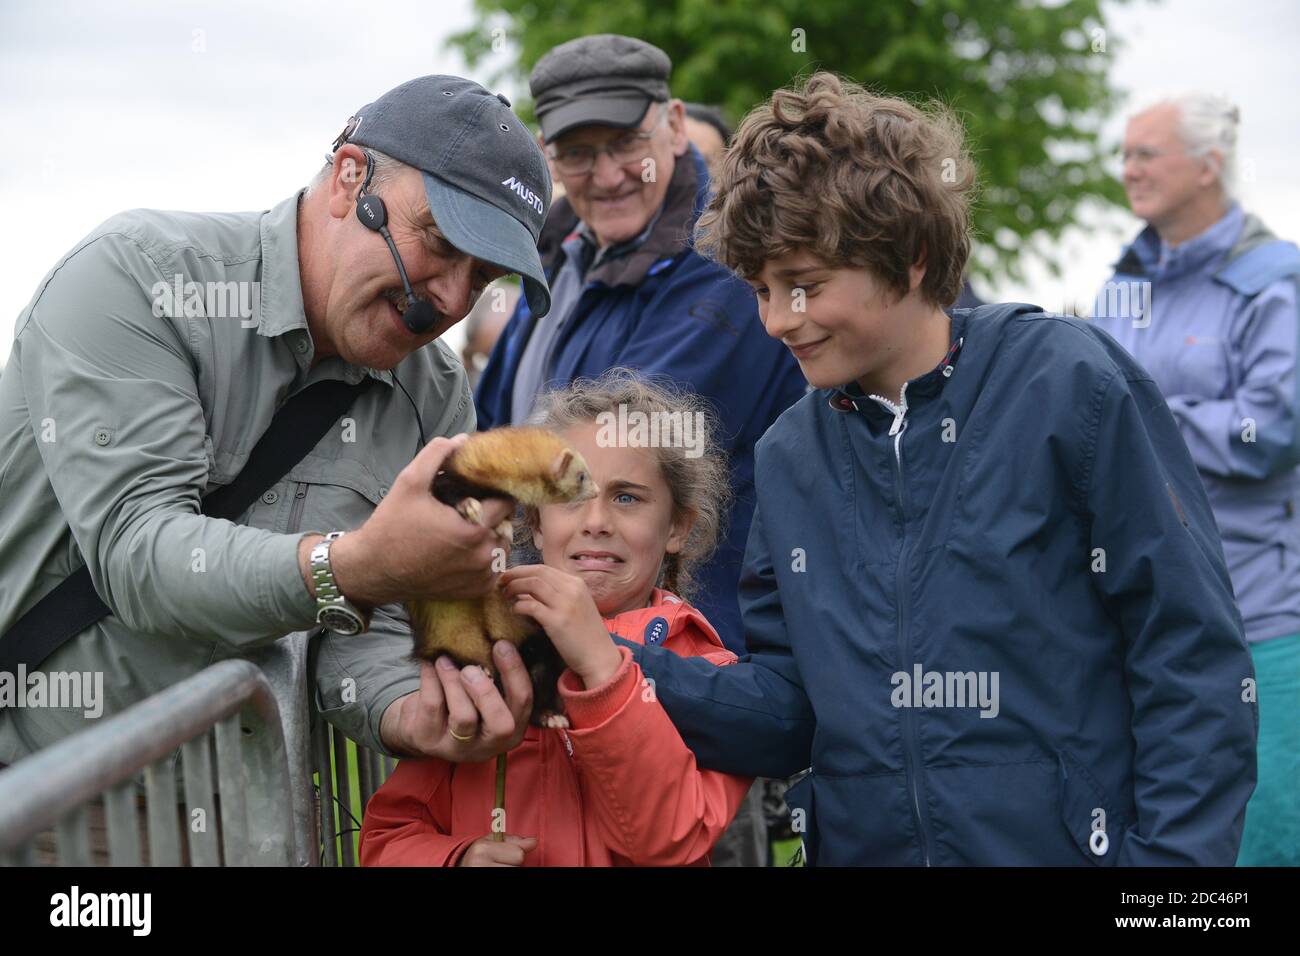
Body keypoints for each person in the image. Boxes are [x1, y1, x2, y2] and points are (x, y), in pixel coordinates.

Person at [573, 71, 1256, 865]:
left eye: (805, 286)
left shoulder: (1070, 383)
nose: (774, 321)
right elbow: (789, 710)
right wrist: (596, 656)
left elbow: (1191, 657)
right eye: (761, 289)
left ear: (915, 255)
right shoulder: (789, 453)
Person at [0, 76, 551, 784]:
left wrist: (407, 712)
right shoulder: (137, 277)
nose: (449, 298)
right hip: (35, 800)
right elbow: (137, 553)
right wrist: (352, 565)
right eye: (440, 243)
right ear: (350, 181)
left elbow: (363, 633)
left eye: (481, 278)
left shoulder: (437, 399)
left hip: (239, 817)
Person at [359, 370, 752, 866]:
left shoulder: (716, 678)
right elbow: (388, 836)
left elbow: (670, 839)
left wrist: (605, 669)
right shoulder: (481, 649)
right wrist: (454, 859)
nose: (595, 522)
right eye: (569, 497)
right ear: (535, 523)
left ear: (677, 526)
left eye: (626, 497)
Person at [1091, 92, 1300, 866]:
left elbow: (1273, 428)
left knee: (1263, 838)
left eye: (1148, 153)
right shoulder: (1122, 277)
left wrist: (1145, 416)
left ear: (1210, 164)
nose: (1129, 169)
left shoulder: (1278, 281)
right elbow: (1086, 401)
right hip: (1140, 616)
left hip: (1261, 618)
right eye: (1125, 153)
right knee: (1163, 837)